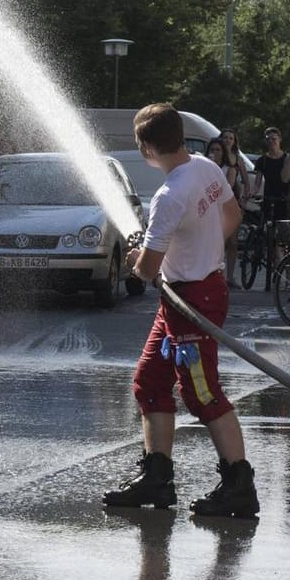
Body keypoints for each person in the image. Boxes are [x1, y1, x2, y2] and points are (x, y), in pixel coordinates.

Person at [101, 104, 258, 518]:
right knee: (150, 380)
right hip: (191, 293)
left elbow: (147, 270)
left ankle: (239, 484)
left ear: (147, 147)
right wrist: (199, 247)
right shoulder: (206, 167)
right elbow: (232, 214)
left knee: (201, 393)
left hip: (192, 299)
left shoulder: (168, 196)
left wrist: (141, 260)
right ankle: (157, 478)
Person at [204, 139, 245, 286]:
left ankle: (228, 276)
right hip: (209, 210)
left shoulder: (229, 168)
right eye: (212, 150)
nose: (214, 153)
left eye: (218, 150)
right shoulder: (204, 168)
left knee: (230, 242)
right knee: (213, 242)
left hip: (225, 209)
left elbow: (227, 187)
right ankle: (212, 273)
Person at [256, 128, 290, 223]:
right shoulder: (262, 160)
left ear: (280, 139)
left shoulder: (288, 158)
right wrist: (252, 193)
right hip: (268, 200)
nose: (271, 141)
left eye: (274, 139)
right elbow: (257, 182)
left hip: (284, 201)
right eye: (268, 139)